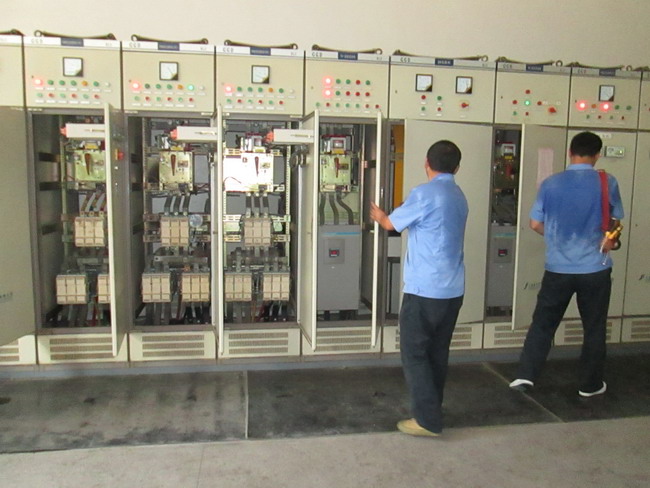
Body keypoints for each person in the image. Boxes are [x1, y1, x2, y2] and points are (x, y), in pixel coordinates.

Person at [509, 131, 624, 397]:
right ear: (597, 155)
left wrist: (554, 237)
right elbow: (616, 220)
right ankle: (590, 385)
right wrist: (609, 239)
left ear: (570, 152)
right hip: (595, 268)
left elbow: (535, 223)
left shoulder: (551, 183)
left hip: (558, 268)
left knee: (543, 323)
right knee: (594, 327)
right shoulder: (607, 182)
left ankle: (526, 375)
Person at [370, 140, 468, 437]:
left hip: (425, 290)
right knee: (437, 353)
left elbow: (391, 224)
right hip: (452, 290)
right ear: (457, 167)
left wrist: (379, 215)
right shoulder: (459, 195)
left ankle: (427, 420)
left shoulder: (424, 193)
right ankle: (433, 409)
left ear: (427, 162)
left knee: (414, 354)